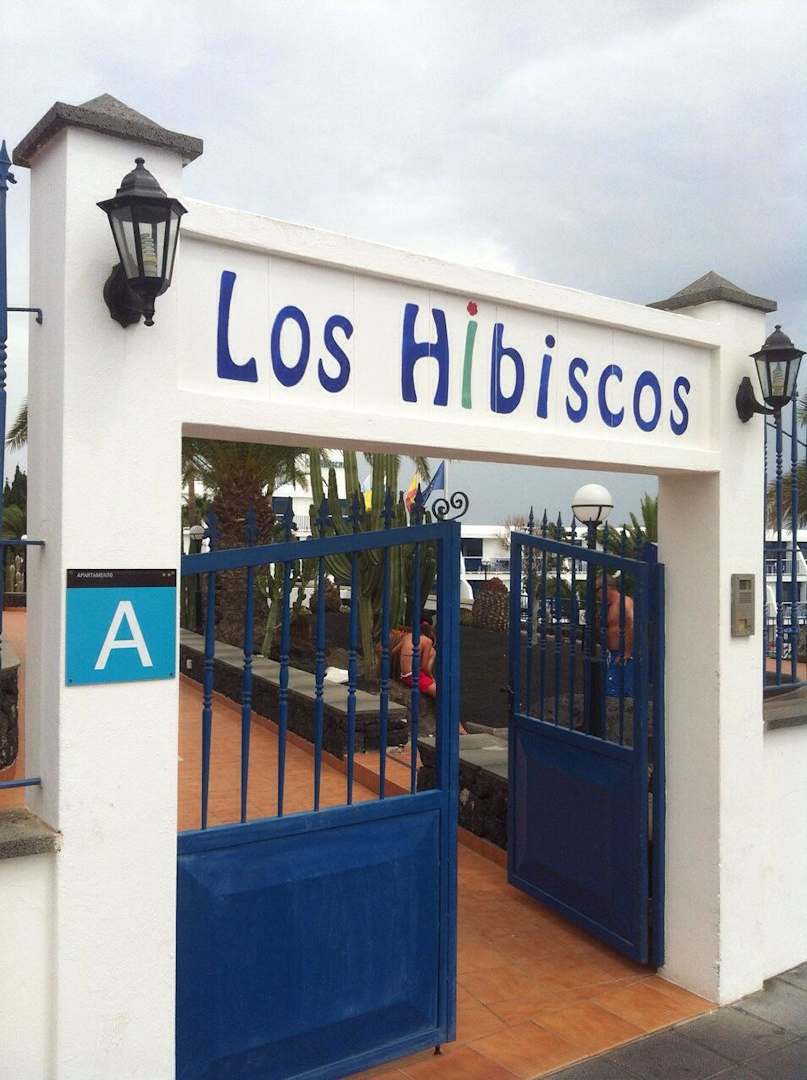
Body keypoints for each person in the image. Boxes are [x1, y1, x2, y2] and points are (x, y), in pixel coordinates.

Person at [596, 575, 634, 697]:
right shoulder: (607, 607)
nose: (597, 595)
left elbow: (632, 623)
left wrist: (627, 651)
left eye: (597, 590)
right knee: (612, 690)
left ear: (606, 588)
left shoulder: (624, 602)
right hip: (612, 653)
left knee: (621, 691)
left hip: (624, 654)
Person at [391, 621, 437, 698]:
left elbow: (393, 652)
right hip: (413, 675)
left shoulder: (408, 636)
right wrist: (431, 678)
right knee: (440, 693)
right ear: (430, 634)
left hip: (404, 675)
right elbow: (424, 666)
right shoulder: (427, 641)